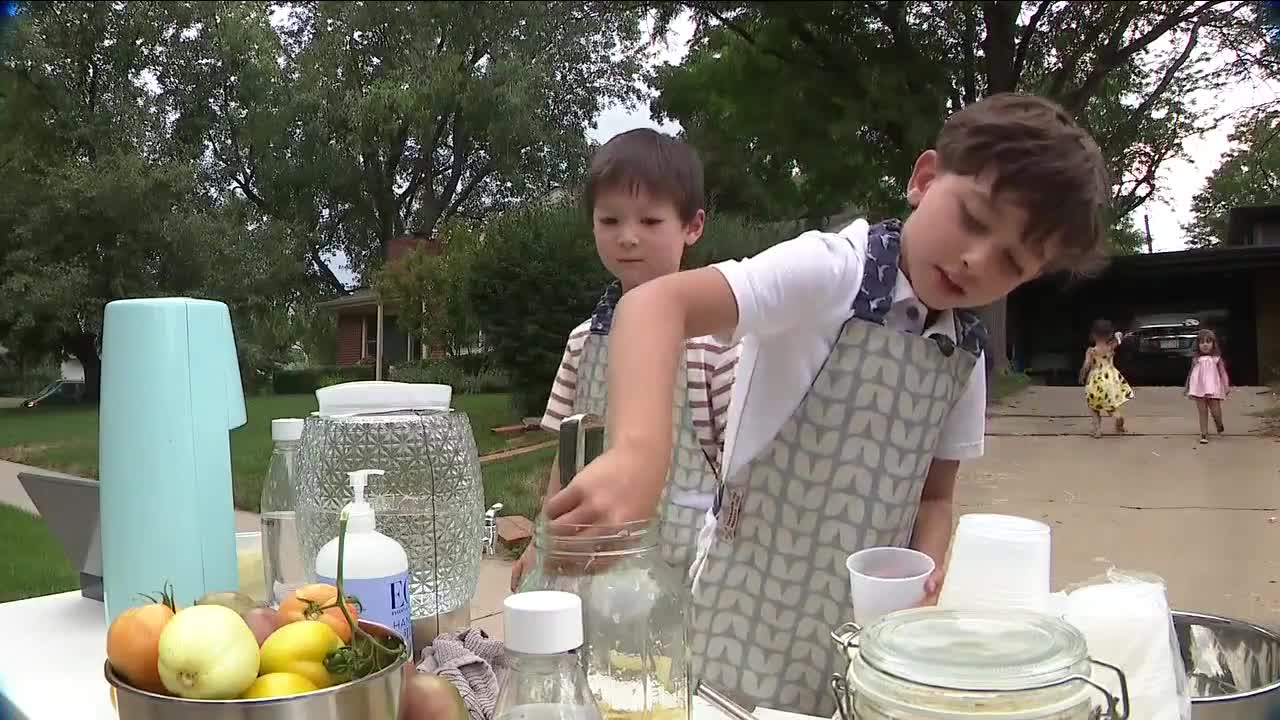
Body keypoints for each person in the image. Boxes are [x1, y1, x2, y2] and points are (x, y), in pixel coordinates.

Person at [541, 93, 1111, 715]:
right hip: (741, 616)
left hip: (862, 635)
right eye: (973, 219)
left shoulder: (962, 354)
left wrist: (926, 568)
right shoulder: (833, 269)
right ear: (924, 179)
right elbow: (654, 307)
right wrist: (639, 452)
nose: (977, 259)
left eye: (1012, 261)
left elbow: (936, 495)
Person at [509, 128, 739, 591]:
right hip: (591, 561)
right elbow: (565, 460)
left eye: (650, 222)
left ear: (692, 226)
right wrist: (541, 538)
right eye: (610, 221)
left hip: (683, 569)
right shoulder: (583, 342)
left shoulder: (716, 346)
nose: (628, 238)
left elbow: (739, 471)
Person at [1079, 318, 1134, 438]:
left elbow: (1086, 365)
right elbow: (1120, 336)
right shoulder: (1111, 347)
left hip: (1096, 381)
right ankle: (1118, 417)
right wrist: (1115, 336)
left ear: (1093, 335)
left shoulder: (1091, 351)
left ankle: (1097, 429)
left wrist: (1082, 375)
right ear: (1109, 334)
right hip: (1110, 380)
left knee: (1094, 407)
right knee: (1110, 406)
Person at [1185, 328, 1230, 444]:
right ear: (1198, 345)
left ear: (1213, 344)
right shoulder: (1196, 359)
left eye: (1208, 342)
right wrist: (1187, 387)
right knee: (1202, 411)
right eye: (1202, 342)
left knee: (1215, 410)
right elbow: (1191, 373)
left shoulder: (1217, 359)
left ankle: (1219, 423)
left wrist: (1226, 385)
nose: (1205, 345)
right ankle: (1204, 433)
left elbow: (1223, 372)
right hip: (1199, 388)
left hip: (1214, 388)